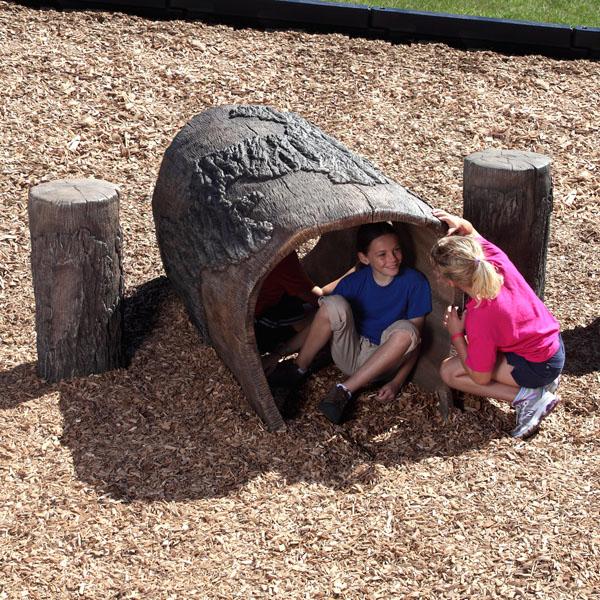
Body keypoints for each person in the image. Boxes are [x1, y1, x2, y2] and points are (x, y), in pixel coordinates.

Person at [268, 222, 432, 423]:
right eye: (382, 254)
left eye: (396, 250)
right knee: (332, 304)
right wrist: (280, 352)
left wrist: (397, 382)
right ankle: (297, 369)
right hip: (349, 352)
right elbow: (319, 323)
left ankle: (344, 391)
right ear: (364, 258)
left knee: (409, 330)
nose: (392, 259)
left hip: (384, 361)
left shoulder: (415, 282)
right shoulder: (353, 282)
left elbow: (415, 340)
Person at [430, 209, 565, 439]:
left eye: (438, 273)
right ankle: (541, 383)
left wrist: (456, 335)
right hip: (552, 346)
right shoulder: (492, 260)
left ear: (451, 282)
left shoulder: (480, 316)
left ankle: (530, 397)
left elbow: (479, 377)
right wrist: (460, 223)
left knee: (450, 372)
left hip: (539, 366)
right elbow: (471, 230)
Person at [255, 251, 322, 370]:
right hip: (259, 326)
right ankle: (289, 359)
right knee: (321, 314)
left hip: (258, 311)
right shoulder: (281, 257)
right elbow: (316, 298)